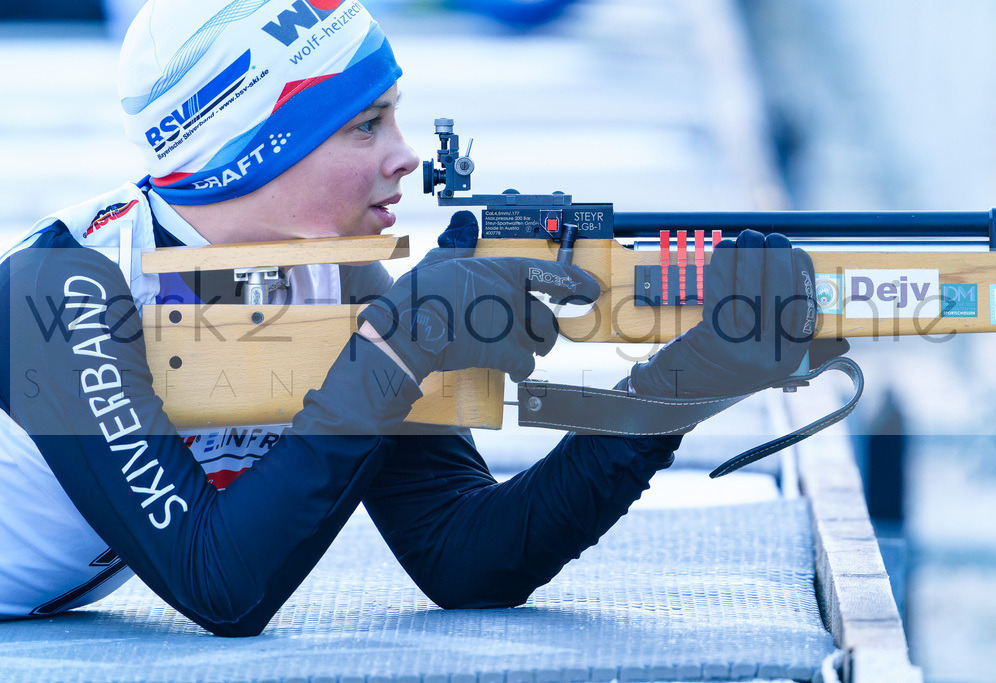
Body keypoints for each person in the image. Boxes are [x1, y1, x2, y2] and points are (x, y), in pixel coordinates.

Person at [0, 0, 842, 637]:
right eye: (365, 126)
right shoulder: (60, 290)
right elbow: (219, 584)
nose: (406, 155)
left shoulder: (336, 279)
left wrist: (688, 382)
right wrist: (400, 344)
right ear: (248, 154)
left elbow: (469, 554)